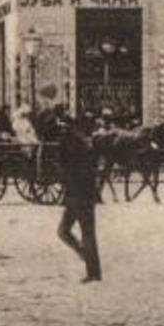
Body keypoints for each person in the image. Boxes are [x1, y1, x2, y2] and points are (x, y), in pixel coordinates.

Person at [56, 115, 102, 283]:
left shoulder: (67, 144)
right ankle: (94, 271)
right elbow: (94, 166)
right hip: (88, 193)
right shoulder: (87, 143)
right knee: (88, 233)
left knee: (64, 231)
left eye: (63, 126)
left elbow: (64, 168)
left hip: (76, 195)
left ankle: (85, 257)